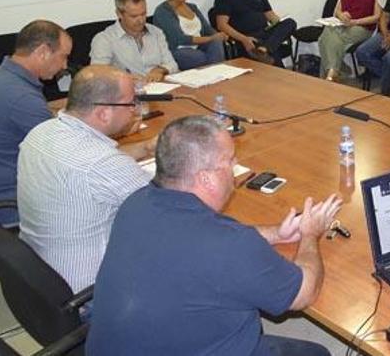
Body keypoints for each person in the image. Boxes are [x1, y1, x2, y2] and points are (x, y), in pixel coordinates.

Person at [87, 115, 343, 355]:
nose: (234, 167)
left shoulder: (136, 203)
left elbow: (209, 242)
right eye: (229, 161)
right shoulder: (230, 245)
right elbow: (303, 293)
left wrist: (277, 233)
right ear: (206, 179)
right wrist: (310, 235)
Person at [18, 65, 154, 293]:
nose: (134, 109)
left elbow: (94, 164)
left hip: (41, 272)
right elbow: (170, 208)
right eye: (131, 103)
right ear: (103, 113)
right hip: (92, 291)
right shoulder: (103, 164)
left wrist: (145, 147)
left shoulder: (41, 132)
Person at [0, 20, 71, 225]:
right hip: (8, 206)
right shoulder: (22, 97)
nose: (65, 65)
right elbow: (70, 157)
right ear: (43, 52)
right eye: (64, 56)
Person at [212, 0, 298, 66]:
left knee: (290, 22)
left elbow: (270, 15)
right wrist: (244, 39)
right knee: (272, 55)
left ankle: (264, 48)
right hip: (246, 38)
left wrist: (279, 25)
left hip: (264, 33)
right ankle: (265, 51)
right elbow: (221, 25)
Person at [318, 0, 386, 82]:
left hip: (364, 28)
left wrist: (355, 21)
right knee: (328, 33)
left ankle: (334, 72)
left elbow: (376, 17)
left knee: (325, 39)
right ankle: (333, 72)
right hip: (345, 25)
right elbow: (337, 11)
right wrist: (342, 15)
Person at [90, 0, 179, 80]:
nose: (141, 20)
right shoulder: (104, 39)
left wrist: (160, 70)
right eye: (134, 16)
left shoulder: (156, 32)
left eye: (143, 14)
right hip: (127, 87)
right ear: (119, 14)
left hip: (159, 85)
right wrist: (125, 77)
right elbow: (97, 73)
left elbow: (172, 65)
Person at [153, 0, 226, 70]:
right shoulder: (162, 11)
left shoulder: (192, 7)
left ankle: (215, 73)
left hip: (200, 45)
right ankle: (216, 73)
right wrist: (211, 38)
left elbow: (207, 30)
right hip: (179, 50)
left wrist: (219, 36)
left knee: (216, 44)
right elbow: (180, 39)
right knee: (200, 57)